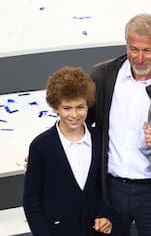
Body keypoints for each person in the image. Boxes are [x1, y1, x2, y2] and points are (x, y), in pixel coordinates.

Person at [85, 13, 151, 236]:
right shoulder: (103, 76)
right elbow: (82, 126)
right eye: (134, 49)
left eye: (147, 50)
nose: (140, 58)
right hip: (110, 189)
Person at [23, 66, 112, 236]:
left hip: (94, 231)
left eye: (80, 107)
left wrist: (104, 213)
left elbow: (104, 185)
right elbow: (31, 199)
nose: (74, 114)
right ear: (56, 107)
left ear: (88, 105)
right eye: (67, 108)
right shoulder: (41, 146)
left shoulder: (99, 139)